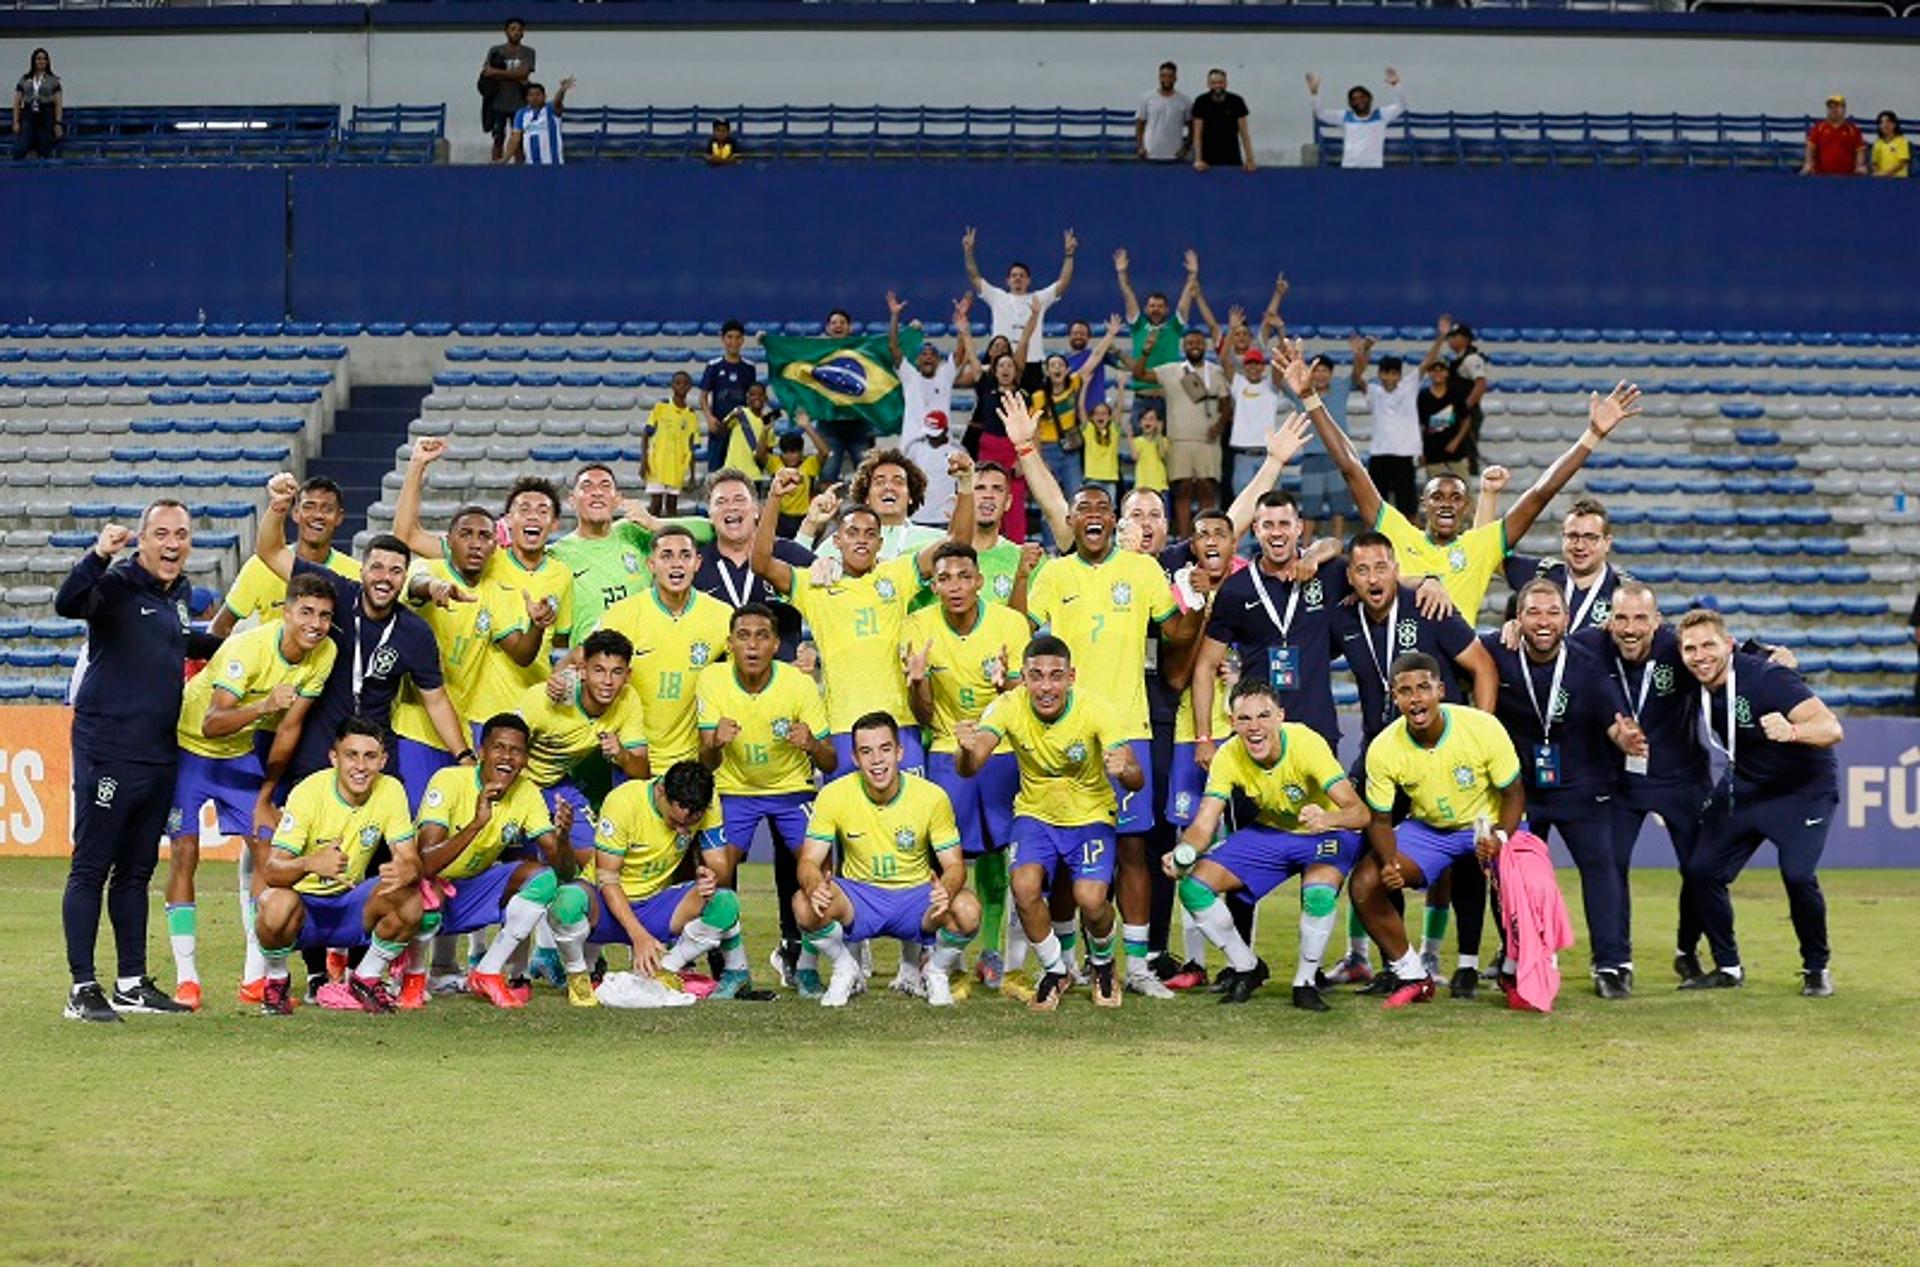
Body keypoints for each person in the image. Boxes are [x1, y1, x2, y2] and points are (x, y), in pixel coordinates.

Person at [1288, 336, 1639, 622]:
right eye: (1437, 497)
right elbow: (1351, 467)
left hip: (1454, 683)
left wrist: (1590, 436)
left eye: (1455, 497)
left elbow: (1540, 493)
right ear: (1423, 504)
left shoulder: (1480, 547)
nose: (1445, 503)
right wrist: (1309, 397)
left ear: (1466, 506)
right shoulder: (1397, 533)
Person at [1018, 479, 1206, 998]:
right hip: (1065, 733)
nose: (1094, 514)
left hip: (1128, 730)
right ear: (1072, 521)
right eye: (1085, 508)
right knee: (1059, 854)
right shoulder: (1054, 574)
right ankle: (1064, 961)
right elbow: (1030, 638)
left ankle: (1140, 965)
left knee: (1132, 849)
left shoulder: (1142, 569)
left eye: (1104, 506)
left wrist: (1195, 604)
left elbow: (1173, 637)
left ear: (1115, 523)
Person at [56, 502, 214, 1021]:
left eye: (182, 534)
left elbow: (178, 641)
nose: (173, 543)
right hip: (108, 750)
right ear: (142, 540)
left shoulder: (181, 595)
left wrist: (242, 642)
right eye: (162, 534)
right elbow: (68, 603)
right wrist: (99, 554)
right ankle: (82, 989)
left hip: (158, 755)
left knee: (137, 872)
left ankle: (130, 982)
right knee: (91, 868)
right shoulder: (118, 584)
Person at [165, 573, 338, 1010]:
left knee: (268, 853)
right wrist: (263, 706)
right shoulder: (247, 647)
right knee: (185, 854)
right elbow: (211, 722)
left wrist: (267, 793)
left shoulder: (326, 652)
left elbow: (291, 726)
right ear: (286, 611)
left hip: (240, 756)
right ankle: (187, 981)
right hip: (190, 748)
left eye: (324, 615)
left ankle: (256, 978)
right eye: (306, 612)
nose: (315, 624)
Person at [957, 635, 1143, 1011]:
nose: (1046, 687)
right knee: (1023, 887)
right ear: (1023, 678)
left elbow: (1136, 777)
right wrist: (964, 750)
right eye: (1036, 676)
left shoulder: (1097, 710)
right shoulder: (1007, 705)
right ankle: (1056, 970)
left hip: (1091, 816)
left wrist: (1126, 771)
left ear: (1071, 677)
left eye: (1056, 676)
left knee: (1091, 901)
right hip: (1035, 815)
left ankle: (1104, 964)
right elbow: (972, 764)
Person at [255, 472, 470, 796]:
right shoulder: (336, 592)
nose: (385, 578)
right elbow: (270, 551)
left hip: (375, 752)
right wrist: (279, 507)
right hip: (319, 745)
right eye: (378, 568)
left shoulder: (415, 632)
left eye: (396, 571)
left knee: (384, 842)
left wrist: (464, 756)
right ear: (362, 570)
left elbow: (436, 700)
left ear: (404, 578)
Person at [1167, 679, 1369, 1009]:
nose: (1254, 727)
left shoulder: (1306, 743)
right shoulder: (1228, 755)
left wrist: (1327, 819)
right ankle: (1247, 966)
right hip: (1272, 832)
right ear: (1231, 723)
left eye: (1263, 716)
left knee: (1318, 895)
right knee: (1193, 888)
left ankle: (1304, 982)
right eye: (1244, 719)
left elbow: (1359, 813)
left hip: (1326, 832)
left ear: (1280, 717)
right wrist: (1183, 853)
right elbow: (1204, 824)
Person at [1676, 609, 1845, 997]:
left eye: (1708, 645)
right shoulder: (1696, 676)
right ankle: (1728, 967)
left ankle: (1816, 968)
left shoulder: (1769, 678)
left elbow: (1832, 727)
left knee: (1799, 875)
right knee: (1701, 870)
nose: (1700, 656)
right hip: (1746, 787)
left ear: (1728, 645)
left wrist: (1793, 730)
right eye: (1690, 649)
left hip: (1802, 791)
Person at [1484, 579, 1636, 999]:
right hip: (1522, 792)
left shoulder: (1587, 665)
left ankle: (1610, 964)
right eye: (1533, 612)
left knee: (1601, 871)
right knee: (1509, 873)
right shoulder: (1498, 651)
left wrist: (1626, 739)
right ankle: (1514, 952)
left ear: (1567, 619)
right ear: (1518, 618)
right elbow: (1455, 650)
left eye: (1552, 612)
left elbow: (1614, 721)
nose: (1544, 621)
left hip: (1583, 789)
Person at [1352, 653, 1525, 1009]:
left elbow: (1513, 794)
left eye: (1423, 688)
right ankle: (1413, 974)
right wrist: (1388, 862)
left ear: (1440, 690)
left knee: (1518, 880)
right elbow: (1380, 820)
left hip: (1487, 823)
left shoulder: (1482, 727)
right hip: (1430, 830)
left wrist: (1501, 838)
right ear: (1394, 697)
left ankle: (1513, 969)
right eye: (1405, 691)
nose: (1415, 698)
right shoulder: (1383, 748)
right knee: (1365, 883)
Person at [905, 543, 1033, 990]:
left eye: (964, 576)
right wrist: (918, 682)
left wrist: (1008, 683)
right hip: (945, 750)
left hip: (998, 749)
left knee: (999, 855)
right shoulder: (919, 627)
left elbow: (1026, 695)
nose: (955, 586)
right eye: (945, 578)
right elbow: (921, 714)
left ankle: (993, 953)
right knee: (947, 857)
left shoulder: (1010, 624)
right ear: (934, 585)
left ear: (979, 581)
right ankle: (950, 960)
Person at [1574, 580, 1713, 985]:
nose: (1630, 628)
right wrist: (1511, 628)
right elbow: (1540, 640)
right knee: (1610, 868)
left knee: (1699, 869)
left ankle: (1688, 952)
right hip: (1619, 782)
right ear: (1608, 620)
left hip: (1682, 778)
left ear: (1657, 621)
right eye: (1621, 618)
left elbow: (1727, 654)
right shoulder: (1588, 646)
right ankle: (1615, 964)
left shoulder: (1679, 647)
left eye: (1639, 618)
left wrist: (1771, 654)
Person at [695, 602, 836, 992]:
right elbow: (707, 761)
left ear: (776, 644)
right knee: (717, 872)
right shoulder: (712, 679)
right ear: (729, 644)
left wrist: (811, 745)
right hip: (734, 790)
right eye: (743, 636)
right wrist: (715, 745)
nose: (752, 645)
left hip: (792, 791)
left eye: (762, 636)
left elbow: (831, 757)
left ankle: (805, 964)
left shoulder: (799, 685)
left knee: (818, 871)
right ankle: (733, 967)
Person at [797, 713, 981, 1008]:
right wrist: (814, 884)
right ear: (855, 758)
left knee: (968, 909)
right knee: (803, 904)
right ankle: (846, 968)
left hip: (917, 900)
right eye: (866, 752)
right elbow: (808, 861)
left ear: (899, 752)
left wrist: (945, 889)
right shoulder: (833, 795)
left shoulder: (932, 797)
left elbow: (955, 866)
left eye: (885, 749)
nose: (877, 760)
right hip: (860, 900)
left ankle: (934, 970)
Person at [254, 717, 421, 1015]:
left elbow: (409, 857)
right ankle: (276, 981)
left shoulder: (391, 790)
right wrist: (310, 863)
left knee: (411, 900)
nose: (360, 766)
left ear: (383, 760)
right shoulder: (308, 792)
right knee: (273, 903)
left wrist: (408, 868)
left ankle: (366, 979)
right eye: (351, 755)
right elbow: (272, 870)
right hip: (303, 912)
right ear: (334, 758)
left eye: (370, 756)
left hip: (350, 906)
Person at [415, 714, 580, 1009]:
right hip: (424, 894)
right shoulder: (449, 780)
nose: (507, 757)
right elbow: (424, 864)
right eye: (499, 748)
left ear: (526, 758)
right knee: (430, 892)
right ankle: (410, 977)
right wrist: (476, 824)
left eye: (516, 750)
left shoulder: (527, 793)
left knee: (543, 877)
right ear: (481, 751)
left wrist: (564, 839)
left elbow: (565, 873)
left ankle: (488, 971)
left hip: (469, 893)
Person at [587, 761, 757, 1001]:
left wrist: (710, 874)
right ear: (661, 791)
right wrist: (639, 936)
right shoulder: (623, 801)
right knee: (569, 901)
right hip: (607, 906)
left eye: (690, 825)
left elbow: (720, 866)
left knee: (724, 900)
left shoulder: (708, 802)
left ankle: (666, 969)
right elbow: (607, 879)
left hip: (656, 905)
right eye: (675, 822)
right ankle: (578, 972)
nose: (683, 832)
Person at [518, 628, 651, 868]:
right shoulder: (544, 698)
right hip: (517, 785)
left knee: (596, 863)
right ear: (582, 671)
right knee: (535, 863)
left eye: (617, 672)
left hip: (556, 785)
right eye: (599, 670)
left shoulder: (628, 700)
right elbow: (503, 750)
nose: (608, 682)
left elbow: (642, 770)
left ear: (628, 674)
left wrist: (622, 755)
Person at [212, 476, 358, 637]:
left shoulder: (355, 573)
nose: (317, 515)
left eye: (327, 509)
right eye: (308, 507)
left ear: (339, 517)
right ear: (295, 513)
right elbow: (220, 627)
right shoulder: (261, 565)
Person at [892, 291, 980, 529]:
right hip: (911, 448)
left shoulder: (944, 375)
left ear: (939, 361)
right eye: (924, 354)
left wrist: (963, 320)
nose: (928, 357)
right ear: (918, 360)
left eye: (932, 354)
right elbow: (895, 350)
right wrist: (894, 317)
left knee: (942, 497)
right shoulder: (909, 376)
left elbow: (961, 354)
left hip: (941, 447)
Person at [1134, 326, 1230, 537]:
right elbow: (1138, 373)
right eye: (1189, 343)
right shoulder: (1171, 370)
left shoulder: (1215, 372)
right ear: (1183, 347)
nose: (1194, 347)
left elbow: (1226, 404)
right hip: (1178, 439)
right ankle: (1185, 540)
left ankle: (1207, 535)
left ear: (1204, 346)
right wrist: (1146, 351)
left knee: (1207, 489)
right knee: (1183, 489)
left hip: (1208, 441)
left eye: (1197, 343)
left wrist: (1219, 426)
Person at [962, 226, 1077, 389]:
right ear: (1007, 280)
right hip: (1000, 364)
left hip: (1031, 363)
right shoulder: (997, 296)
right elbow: (974, 276)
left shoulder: (1039, 298)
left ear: (1028, 280)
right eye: (1014, 275)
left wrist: (1069, 255)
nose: (1018, 278)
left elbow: (1063, 283)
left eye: (1022, 276)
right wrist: (968, 252)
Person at [805, 447, 946, 564]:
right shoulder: (843, 540)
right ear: (866, 497)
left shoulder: (936, 540)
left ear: (910, 497)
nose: (888, 487)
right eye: (879, 482)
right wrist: (810, 524)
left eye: (898, 481)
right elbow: (797, 579)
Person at [1499, 496, 1621, 631]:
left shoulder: (1622, 590)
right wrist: (1489, 493)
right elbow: (1483, 554)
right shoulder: (1541, 575)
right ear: (1563, 538)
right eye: (1572, 536)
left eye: (1590, 537)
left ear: (1607, 543)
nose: (1580, 546)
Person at [1115, 247, 1199, 432]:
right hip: (1142, 398)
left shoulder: (1174, 326)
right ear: (1146, 309)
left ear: (1167, 310)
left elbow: (1186, 301)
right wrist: (1121, 273)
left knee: (1170, 453)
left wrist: (1192, 275)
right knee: (1141, 453)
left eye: (1160, 306)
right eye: (1152, 306)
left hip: (1168, 398)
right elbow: (1128, 295)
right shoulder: (1138, 325)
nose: (1156, 309)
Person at [1282, 351, 1358, 545]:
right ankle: (1306, 549)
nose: (1321, 375)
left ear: (1331, 374)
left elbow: (1358, 372)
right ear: (1310, 374)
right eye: (1317, 371)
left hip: (1338, 457)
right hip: (1311, 458)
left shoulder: (1341, 388)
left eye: (1325, 371)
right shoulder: (1301, 392)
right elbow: (1279, 380)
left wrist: (1361, 351)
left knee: (1339, 508)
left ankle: (1338, 547)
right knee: (1310, 509)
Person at [1351, 340, 1422, 519]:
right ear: (1379, 374)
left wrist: (1441, 336)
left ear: (1399, 375)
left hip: (1404, 455)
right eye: (1385, 373)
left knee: (1408, 505)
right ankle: (1374, 541)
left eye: (1393, 374)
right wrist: (1364, 350)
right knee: (1375, 504)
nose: (1389, 378)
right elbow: (1356, 377)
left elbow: (1427, 362)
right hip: (1379, 454)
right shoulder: (1374, 392)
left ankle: (1410, 544)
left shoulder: (1409, 386)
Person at [1306, 67, 1405, 170]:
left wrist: (1396, 85)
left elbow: (1401, 106)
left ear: (1370, 98)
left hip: (1374, 170)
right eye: (1354, 99)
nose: (1359, 101)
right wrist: (1314, 93)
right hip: (1349, 170)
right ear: (1350, 103)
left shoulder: (1381, 115)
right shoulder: (1344, 117)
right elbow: (1320, 113)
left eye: (1362, 97)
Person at [699, 321, 757, 480]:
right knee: (716, 473)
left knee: (739, 473)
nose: (733, 342)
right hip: (719, 427)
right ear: (723, 339)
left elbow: (753, 397)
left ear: (742, 340)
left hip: (740, 428)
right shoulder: (714, 366)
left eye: (737, 338)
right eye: (729, 337)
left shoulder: (749, 367)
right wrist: (709, 418)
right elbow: (703, 396)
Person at [641, 372, 701, 516]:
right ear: (672, 385)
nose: (682, 386)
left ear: (690, 387)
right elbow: (645, 434)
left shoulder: (691, 415)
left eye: (685, 383)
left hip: (677, 467)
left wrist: (692, 475)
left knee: (672, 506)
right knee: (655, 503)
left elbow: (692, 447)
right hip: (657, 464)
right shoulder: (661, 407)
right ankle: (652, 536)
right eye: (678, 383)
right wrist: (644, 460)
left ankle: (671, 537)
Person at [480, 18, 535, 164]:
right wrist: (514, 75)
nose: (516, 32)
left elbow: (524, 74)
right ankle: (496, 168)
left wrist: (497, 72)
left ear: (523, 33)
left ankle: (520, 171)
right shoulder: (495, 50)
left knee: (519, 139)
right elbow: (486, 72)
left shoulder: (528, 52)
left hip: (520, 102)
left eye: (519, 29)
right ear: (506, 32)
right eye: (513, 29)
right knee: (498, 138)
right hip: (498, 101)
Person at [771, 422, 831, 537]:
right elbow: (759, 455)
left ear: (800, 451)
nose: (790, 456)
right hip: (781, 518)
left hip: (803, 517)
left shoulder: (810, 464)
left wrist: (807, 427)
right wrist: (765, 430)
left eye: (793, 452)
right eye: (786, 452)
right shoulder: (776, 463)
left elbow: (825, 452)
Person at [1190, 69, 1255, 173]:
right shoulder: (1201, 102)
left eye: (1220, 82)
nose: (1217, 86)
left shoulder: (1236, 101)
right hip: (1207, 160)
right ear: (1208, 84)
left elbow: (1244, 133)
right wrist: (1198, 159)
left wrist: (1250, 159)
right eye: (1214, 83)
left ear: (1226, 83)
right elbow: (1197, 133)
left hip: (1231, 156)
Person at [506, 77, 571, 165]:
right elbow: (515, 139)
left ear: (544, 96)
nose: (534, 98)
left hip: (553, 164)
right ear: (527, 98)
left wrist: (562, 91)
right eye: (531, 95)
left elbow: (557, 101)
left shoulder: (550, 109)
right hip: (531, 165)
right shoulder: (521, 114)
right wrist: (504, 159)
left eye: (538, 94)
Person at [1135, 60, 1190, 163]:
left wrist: (1186, 147)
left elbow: (1192, 127)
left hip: (1175, 155)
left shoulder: (1185, 100)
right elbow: (1140, 124)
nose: (1167, 79)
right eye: (1163, 76)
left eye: (1170, 76)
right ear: (1159, 77)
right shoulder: (1147, 98)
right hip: (1150, 153)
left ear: (1175, 78)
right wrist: (1140, 146)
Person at [12, 48, 61, 161]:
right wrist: (16, 121)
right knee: (21, 148)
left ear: (48, 61)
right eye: (38, 58)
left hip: (46, 114)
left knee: (44, 147)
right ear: (33, 61)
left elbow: (58, 103)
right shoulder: (25, 79)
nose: (41, 61)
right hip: (28, 114)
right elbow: (17, 102)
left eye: (44, 59)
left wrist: (58, 123)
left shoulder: (53, 80)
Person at [1801, 93, 1866, 176]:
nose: (1833, 109)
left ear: (1844, 109)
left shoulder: (1853, 130)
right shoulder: (1819, 128)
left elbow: (1860, 151)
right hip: (1822, 177)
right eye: (1830, 107)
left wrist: (1860, 165)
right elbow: (1810, 148)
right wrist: (1808, 163)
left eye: (1837, 106)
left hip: (1847, 178)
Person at [1871, 110, 1909, 178]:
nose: (1884, 125)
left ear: (1894, 124)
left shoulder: (1901, 141)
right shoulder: (1877, 143)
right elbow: (1874, 162)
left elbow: (1902, 163)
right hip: (1882, 180)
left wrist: (1886, 174)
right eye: (1881, 122)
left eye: (1888, 122)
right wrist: (1877, 174)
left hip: (1899, 180)